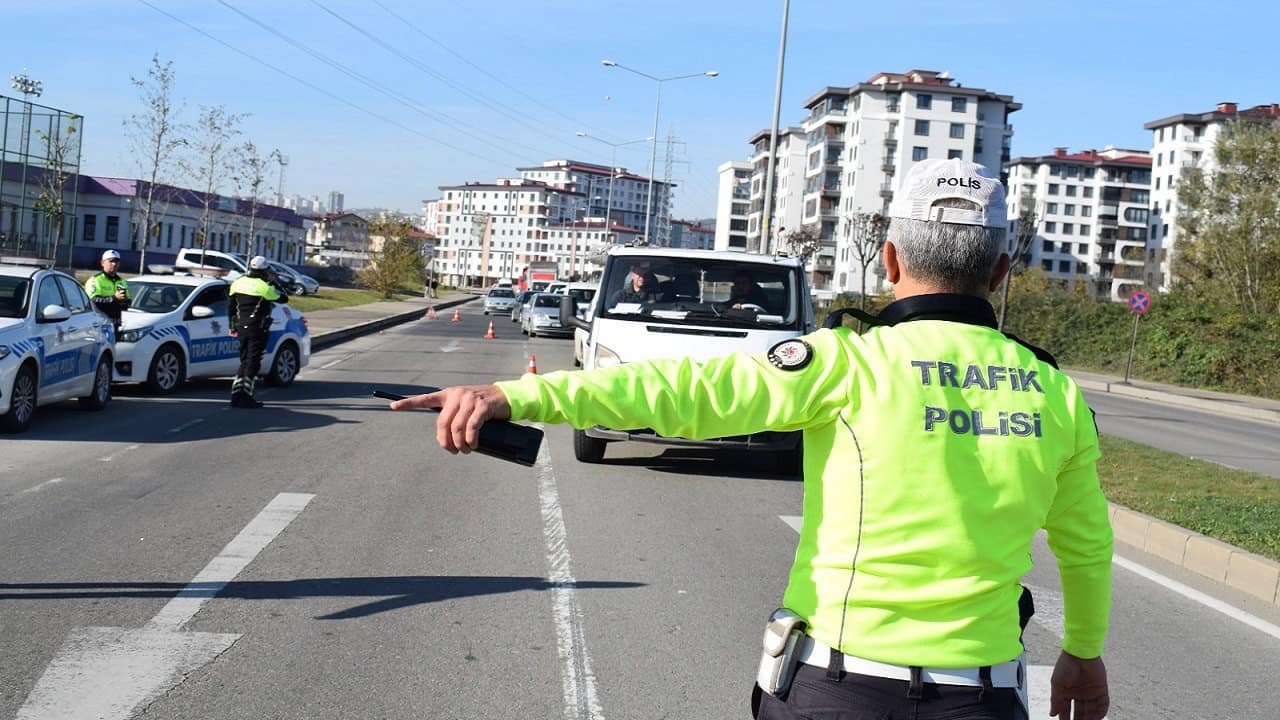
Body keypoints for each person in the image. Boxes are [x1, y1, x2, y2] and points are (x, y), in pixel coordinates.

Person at [390, 159, 1112, 720]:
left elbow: (675, 391)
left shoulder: (846, 363)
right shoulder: (1054, 392)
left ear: (888, 262)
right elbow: (1085, 544)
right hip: (980, 698)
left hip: (837, 690)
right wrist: (1082, 652)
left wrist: (515, 394)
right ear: (1000, 271)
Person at [227, 255, 288, 408]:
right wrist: (274, 281)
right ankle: (246, 395)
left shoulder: (238, 283)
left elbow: (231, 308)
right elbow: (284, 298)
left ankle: (236, 395)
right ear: (264, 270)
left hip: (241, 326)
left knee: (244, 360)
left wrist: (232, 326)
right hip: (258, 327)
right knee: (253, 362)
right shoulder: (265, 287)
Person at [84, 249, 130, 335]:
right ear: (102, 263)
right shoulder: (95, 280)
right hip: (99, 323)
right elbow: (93, 301)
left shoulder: (122, 281)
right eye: (111, 261)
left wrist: (125, 301)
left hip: (115, 323)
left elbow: (127, 303)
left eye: (117, 262)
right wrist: (114, 298)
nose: (114, 264)